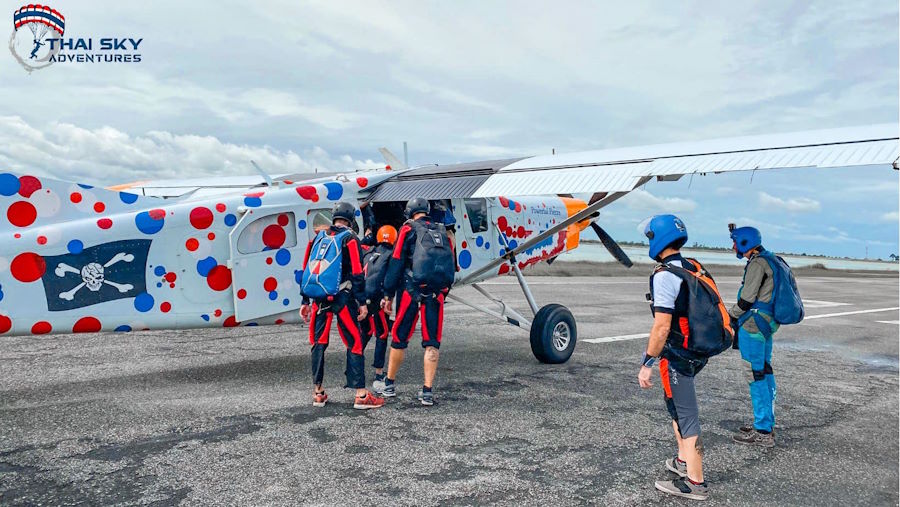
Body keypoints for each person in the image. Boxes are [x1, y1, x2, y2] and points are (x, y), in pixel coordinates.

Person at [638, 214, 709, 501]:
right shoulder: (693, 266)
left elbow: (662, 326)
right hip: (696, 349)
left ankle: (696, 482)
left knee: (686, 414)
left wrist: (647, 362)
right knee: (675, 405)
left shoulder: (665, 275)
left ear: (658, 238)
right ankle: (682, 461)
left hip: (678, 353)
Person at [299, 201, 384, 410]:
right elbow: (357, 272)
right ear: (351, 219)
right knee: (354, 342)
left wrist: (305, 301)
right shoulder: (350, 239)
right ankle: (361, 395)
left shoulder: (318, 237)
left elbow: (306, 269)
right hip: (343, 299)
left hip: (320, 298)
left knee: (318, 343)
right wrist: (362, 302)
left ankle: (318, 393)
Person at [382, 198, 456, 406]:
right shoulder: (443, 231)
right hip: (436, 294)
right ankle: (427, 390)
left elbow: (396, 261)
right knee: (432, 342)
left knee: (399, 337)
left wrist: (388, 294)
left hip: (411, 291)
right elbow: (453, 264)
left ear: (410, 212)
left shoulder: (407, 229)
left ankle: (389, 383)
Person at [728, 226, 777, 447]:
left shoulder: (757, 263)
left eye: (735, 242)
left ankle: (763, 431)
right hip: (768, 323)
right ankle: (765, 421)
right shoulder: (770, 259)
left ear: (746, 243)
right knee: (765, 370)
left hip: (753, 324)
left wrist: (729, 315)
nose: (733, 246)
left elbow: (746, 299)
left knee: (755, 373)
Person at [360, 225, 397, 394]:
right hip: (378, 299)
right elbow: (389, 280)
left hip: (362, 298)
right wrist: (387, 298)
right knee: (381, 334)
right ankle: (378, 373)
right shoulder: (391, 255)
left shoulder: (368, 252)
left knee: (365, 332)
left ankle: (354, 364)